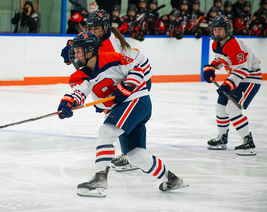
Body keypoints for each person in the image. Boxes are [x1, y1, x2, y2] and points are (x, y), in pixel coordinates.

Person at [58, 32, 187, 197]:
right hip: (125, 109)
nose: (75, 55)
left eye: (78, 51)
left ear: (90, 49)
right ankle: (171, 179)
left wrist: (125, 87)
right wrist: (68, 103)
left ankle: (100, 179)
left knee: (105, 132)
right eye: (74, 52)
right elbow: (78, 91)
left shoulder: (112, 58)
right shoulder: (80, 75)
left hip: (137, 101)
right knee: (135, 156)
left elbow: (137, 69)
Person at [61, 9, 152, 172]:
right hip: (128, 72)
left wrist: (106, 102)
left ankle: (131, 155)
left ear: (105, 27)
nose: (93, 31)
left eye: (97, 28)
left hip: (139, 74)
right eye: (90, 28)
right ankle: (133, 153)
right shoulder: (99, 39)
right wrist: (72, 47)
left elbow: (106, 74)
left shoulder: (110, 46)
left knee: (124, 115)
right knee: (121, 116)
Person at [202, 15, 262, 156]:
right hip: (237, 78)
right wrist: (212, 67)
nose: (217, 33)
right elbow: (221, 58)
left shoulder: (234, 44)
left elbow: (243, 69)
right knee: (220, 106)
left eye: (220, 30)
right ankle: (222, 138)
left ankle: (248, 142)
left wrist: (228, 84)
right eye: (215, 29)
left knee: (232, 108)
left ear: (227, 30)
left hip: (250, 78)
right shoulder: (216, 44)